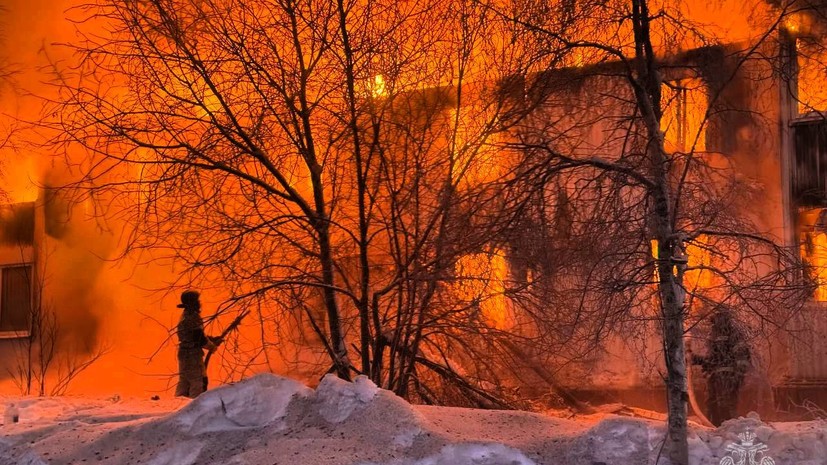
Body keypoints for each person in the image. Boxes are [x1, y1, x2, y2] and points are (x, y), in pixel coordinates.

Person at [691, 309, 752, 426]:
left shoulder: (733, 335)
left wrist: (737, 377)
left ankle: (728, 433)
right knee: (712, 406)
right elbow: (713, 360)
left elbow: (741, 356)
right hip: (715, 378)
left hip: (727, 378)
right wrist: (695, 359)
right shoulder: (715, 336)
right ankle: (713, 432)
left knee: (725, 406)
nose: (713, 325)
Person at [175, 290, 220, 398]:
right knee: (198, 382)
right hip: (192, 355)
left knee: (184, 382)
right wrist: (212, 346)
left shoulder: (185, 316)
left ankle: (179, 408)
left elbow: (194, 335)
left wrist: (210, 339)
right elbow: (199, 338)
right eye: (197, 301)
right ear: (193, 303)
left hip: (184, 353)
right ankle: (196, 409)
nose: (199, 303)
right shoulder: (193, 317)